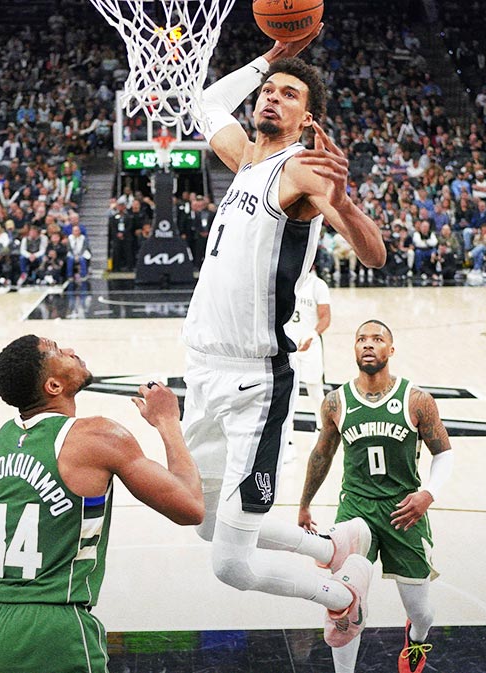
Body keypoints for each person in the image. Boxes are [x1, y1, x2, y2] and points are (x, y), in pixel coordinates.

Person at [184, 26, 387, 649]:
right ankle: (332, 545)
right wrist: (269, 57)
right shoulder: (247, 157)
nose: (270, 98)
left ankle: (342, 593)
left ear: (307, 119)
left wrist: (346, 205)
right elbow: (204, 103)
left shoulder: (300, 171)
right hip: (203, 369)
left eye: (288, 93)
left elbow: (375, 255)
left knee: (230, 564)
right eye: (268, 91)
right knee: (204, 522)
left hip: (254, 381)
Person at [0, 335, 203, 673]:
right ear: (54, 385)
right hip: (51, 630)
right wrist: (167, 422)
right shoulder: (98, 436)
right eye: (58, 352)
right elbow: (190, 507)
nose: (72, 351)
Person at [298, 320, 454, 673]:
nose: (369, 345)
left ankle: (416, 640)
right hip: (356, 510)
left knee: (421, 611)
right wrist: (305, 504)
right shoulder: (336, 401)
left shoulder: (416, 399)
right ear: (354, 349)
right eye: (361, 339)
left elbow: (443, 452)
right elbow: (322, 453)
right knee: (344, 603)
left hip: (404, 510)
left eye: (378, 339)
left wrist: (428, 493)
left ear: (391, 349)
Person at [283, 264, 331, 457]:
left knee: (315, 390)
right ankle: (287, 440)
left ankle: (322, 432)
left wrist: (312, 334)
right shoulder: (287, 283)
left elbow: (326, 318)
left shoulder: (318, 285)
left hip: (310, 346)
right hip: (288, 347)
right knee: (288, 394)